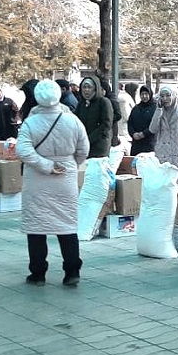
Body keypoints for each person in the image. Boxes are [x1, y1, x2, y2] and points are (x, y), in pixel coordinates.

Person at [15, 80, 89, 287]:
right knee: (67, 224)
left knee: (36, 227)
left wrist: (46, 165)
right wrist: (70, 164)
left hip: (36, 179)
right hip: (65, 177)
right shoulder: (73, 121)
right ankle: (72, 271)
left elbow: (23, 151)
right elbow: (83, 149)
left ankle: (38, 273)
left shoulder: (30, 122)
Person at [75, 75, 114, 158]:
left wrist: (90, 138)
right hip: (83, 143)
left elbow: (106, 124)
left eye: (89, 87)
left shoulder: (104, 102)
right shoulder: (81, 104)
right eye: (84, 87)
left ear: (95, 89)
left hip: (99, 144)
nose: (86, 90)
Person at [128, 86, 156, 155]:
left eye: (146, 94)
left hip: (150, 143)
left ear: (150, 94)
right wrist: (133, 134)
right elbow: (130, 123)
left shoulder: (155, 108)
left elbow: (155, 124)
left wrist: (143, 134)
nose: (144, 96)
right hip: (136, 144)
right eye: (142, 94)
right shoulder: (136, 108)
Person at [100, 78, 123, 148]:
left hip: (112, 129)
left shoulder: (112, 99)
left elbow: (118, 115)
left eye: (102, 90)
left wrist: (107, 119)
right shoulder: (99, 100)